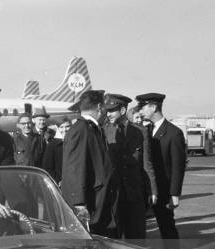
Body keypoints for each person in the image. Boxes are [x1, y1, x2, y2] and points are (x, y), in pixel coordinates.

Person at [136, 92, 186, 249]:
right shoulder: (145, 130)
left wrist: (174, 194)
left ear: (153, 107)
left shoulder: (173, 133)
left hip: (164, 191)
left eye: (143, 107)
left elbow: (178, 166)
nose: (140, 110)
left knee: (167, 228)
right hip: (145, 188)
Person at [103, 94, 157, 241]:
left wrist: (152, 190)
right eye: (107, 111)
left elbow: (146, 163)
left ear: (122, 111)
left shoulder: (141, 131)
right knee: (113, 241)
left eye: (112, 110)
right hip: (114, 196)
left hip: (135, 194)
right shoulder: (104, 131)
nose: (108, 114)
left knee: (137, 239)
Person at [61, 90, 115, 236]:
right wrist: (79, 204)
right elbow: (75, 168)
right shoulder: (81, 130)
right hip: (90, 205)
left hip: (98, 201)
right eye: (104, 107)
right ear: (99, 107)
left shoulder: (90, 128)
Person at [41, 117, 71, 184]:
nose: (64, 129)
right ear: (58, 128)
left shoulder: (77, 142)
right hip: (60, 183)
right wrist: (58, 180)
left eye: (67, 126)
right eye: (61, 127)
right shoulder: (52, 145)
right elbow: (47, 167)